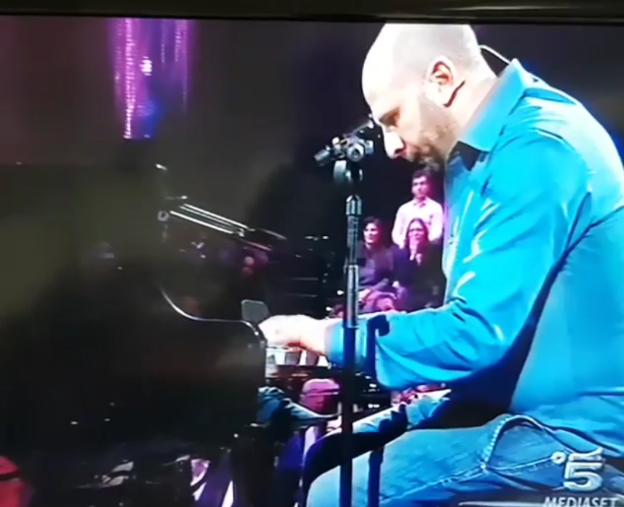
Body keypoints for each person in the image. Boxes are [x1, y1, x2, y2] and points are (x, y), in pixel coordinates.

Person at [260, 23, 624, 507]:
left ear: (441, 79)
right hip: (504, 402)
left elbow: (474, 334)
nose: (391, 145)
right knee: (328, 454)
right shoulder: (485, 148)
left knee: (333, 495)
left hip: (574, 433)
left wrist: (321, 335)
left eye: (393, 118)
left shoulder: (538, 149)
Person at [391, 217, 442, 311]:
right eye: (412, 230)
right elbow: (404, 279)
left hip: (427, 291)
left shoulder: (433, 252)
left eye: (419, 230)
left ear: (425, 233)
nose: (415, 233)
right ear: (408, 234)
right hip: (409, 292)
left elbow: (435, 277)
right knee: (403, 292)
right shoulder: (401, 253)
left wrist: (421, 259)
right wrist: (412, 256)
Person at [391, 168, 443, 246]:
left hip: (428, 248)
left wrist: (423, 245)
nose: (419, 188)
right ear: (412, 189)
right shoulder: (403, 209)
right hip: (405, 247)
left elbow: (436, 233)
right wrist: (403, 244)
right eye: (415, 184)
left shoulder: (435, 208)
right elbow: (396, 234)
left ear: (428, 186)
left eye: (422, 184)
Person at [358, 217, 394, 312]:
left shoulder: (386, 254)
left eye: (373, 230)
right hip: (356, 294)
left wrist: (369, 291)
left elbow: (387, 280)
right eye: (366, 230)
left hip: (377, 292)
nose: (369, 233)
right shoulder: (355, 252)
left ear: (379, 232)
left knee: (384, 303)